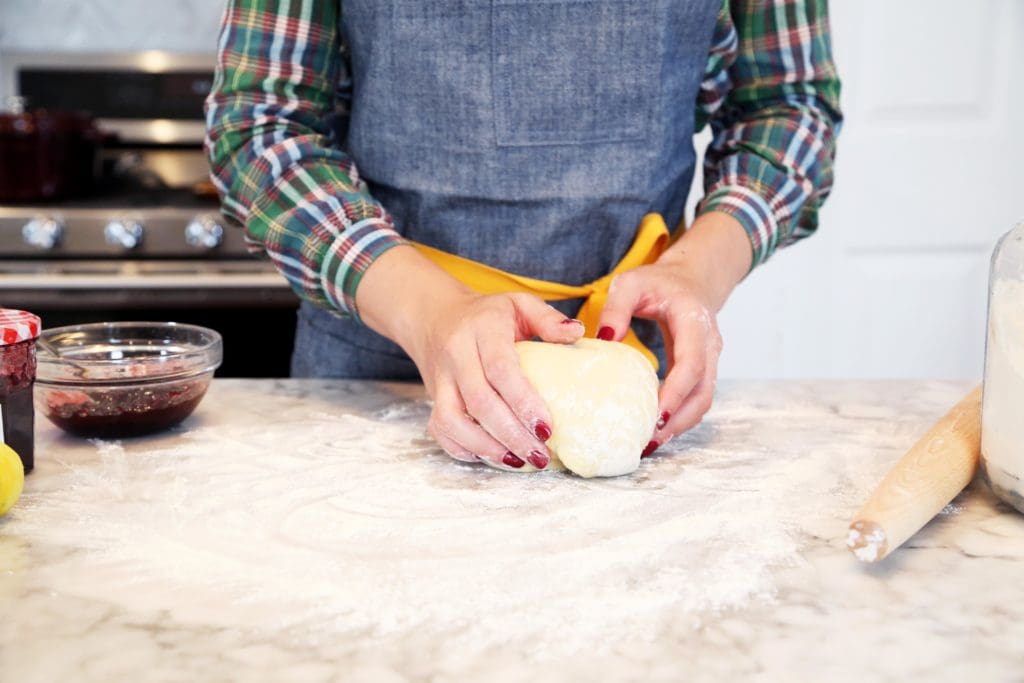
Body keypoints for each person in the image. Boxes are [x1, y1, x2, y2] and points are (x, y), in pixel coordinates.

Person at [205, 0, 841, 472]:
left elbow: (788, 108)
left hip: (635, 374)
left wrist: (698, 272)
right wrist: (430, 313)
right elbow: (259, 128)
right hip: (379, 373)